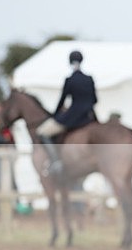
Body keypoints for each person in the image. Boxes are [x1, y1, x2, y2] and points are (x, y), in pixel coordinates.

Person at [36, 50, 97, 178]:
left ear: (70, 62)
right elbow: (95, 100)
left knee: (42, 132)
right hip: (88, 117)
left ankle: (56, 161)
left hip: (73, 117)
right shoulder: (89, 79)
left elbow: (62, 100)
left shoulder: (70, 80)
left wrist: (55, 115)